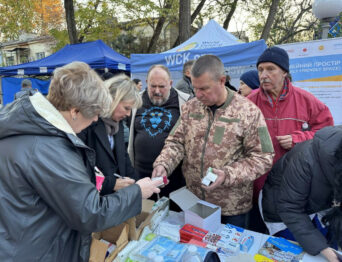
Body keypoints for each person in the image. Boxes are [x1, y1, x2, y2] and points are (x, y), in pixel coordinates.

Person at [0, 61, 161, 261]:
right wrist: (137, 192)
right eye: (94, 114)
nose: (96, 119)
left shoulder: (26, 130)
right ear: (74, 111)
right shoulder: (48, 148)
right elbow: (91, 213)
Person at [152, 55, 274, 228]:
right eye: (195, 88)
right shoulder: (191, 107)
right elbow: (176, 142)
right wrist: (163, 164)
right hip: (194, 201)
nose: (198, 95)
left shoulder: (248, 112)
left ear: (222, 80)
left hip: (232, 209)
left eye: (204, 89)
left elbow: (263, 157)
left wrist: (227, 174)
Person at [247, 46, 334, 232]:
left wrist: (299, 139)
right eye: (260, 70)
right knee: (260, 233)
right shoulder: (249, 101)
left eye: (270, 69)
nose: (264, 75)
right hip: (257, 182)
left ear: (285, 72)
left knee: (290, 233)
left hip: (293, 182)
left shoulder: (306, 100)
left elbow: (327, 132)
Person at [261, 126, 342, 262]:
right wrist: (324, 250)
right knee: (304, 254)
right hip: (284, 209)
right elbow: (290, 208)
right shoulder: (305, 158)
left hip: (320, 205)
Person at [128, 64, 190, 200]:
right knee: (144, 217)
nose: (157, 91)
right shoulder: (135, 101)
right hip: (141, 176)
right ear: (146, 83)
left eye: (161, 86)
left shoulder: (186, 101)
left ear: (170, 83)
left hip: (174, 178)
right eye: (152, 86)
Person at [78, 74, 142, 195]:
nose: (128, 114)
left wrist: (138, 184)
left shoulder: (117, 123)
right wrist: (111, 184)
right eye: (126, 108)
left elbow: (123, 158)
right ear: (112, 100)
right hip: (93, 198)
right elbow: (80, 170)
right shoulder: (87, 124)